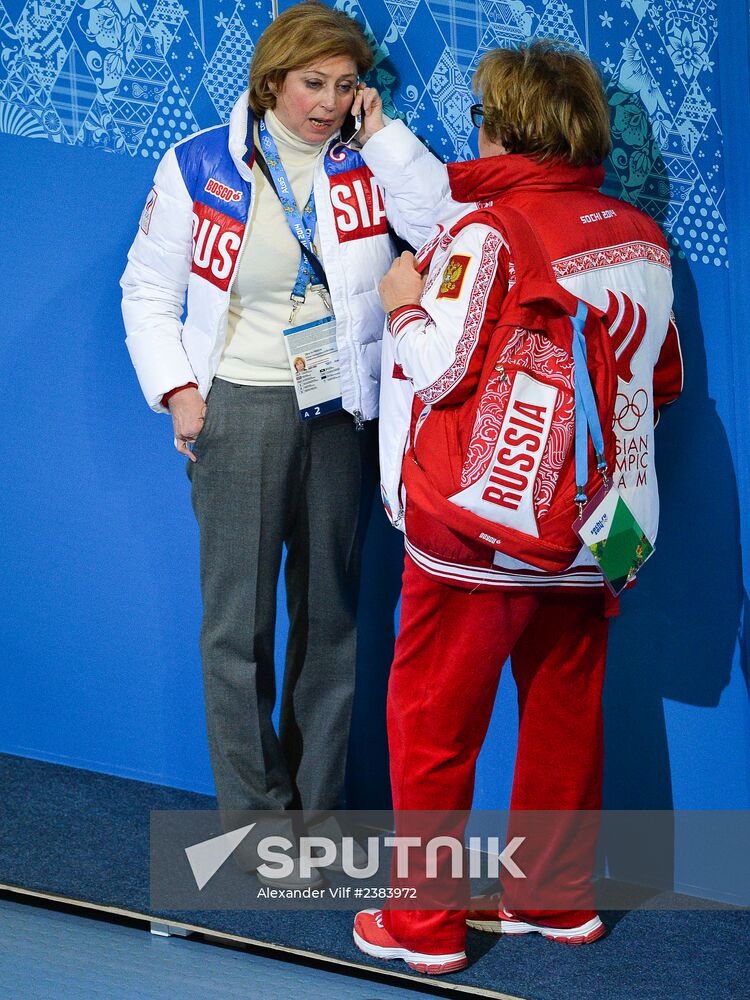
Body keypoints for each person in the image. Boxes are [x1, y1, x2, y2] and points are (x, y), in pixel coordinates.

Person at [352, 41, 683, 971]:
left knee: (433, 723)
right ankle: (555, 899)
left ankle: (422, 927)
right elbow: (662, 378)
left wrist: (402, 299)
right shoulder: (642, 236)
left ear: (507, 128)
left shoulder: (491, 231)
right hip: (604, 526)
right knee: (566, 714)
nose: (478, 132)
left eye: (483, 117)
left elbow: (440, 368)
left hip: (483, 527)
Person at [121, 1, 443, 878]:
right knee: (238, 628)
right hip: (241, 409)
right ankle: (257, 826)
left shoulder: (368, 160)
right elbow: (147, 288)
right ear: (271, 82)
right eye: (312, 83)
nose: (329, 103)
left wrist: (387, 136)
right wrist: (180, 391)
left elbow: (445, 225)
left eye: (346, 86)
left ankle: (316, 819)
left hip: (342, 414)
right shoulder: (200, 164)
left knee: (332, 620)